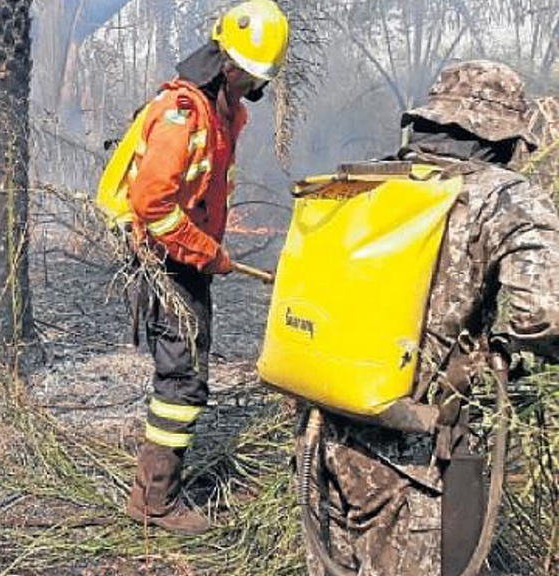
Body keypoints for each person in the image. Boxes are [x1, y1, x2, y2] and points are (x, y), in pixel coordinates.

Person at [298, 60, 559, 575]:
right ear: (504, 137)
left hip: (321, 431)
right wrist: (504, 355)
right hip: (414, 454)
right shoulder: (504, 195)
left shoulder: (365, 177)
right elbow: (547, 311)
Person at [124, 0, 290, 535]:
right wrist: (207, 253)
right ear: (225, 60)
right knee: (182, 377)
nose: (251, 87)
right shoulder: (184, 113)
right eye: (247, 74)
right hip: (167, 258)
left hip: (187, 255)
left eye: (259, 78)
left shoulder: (225, 108)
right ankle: (154, 503)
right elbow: (152, 207)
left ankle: (158, 489)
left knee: (187, 372)